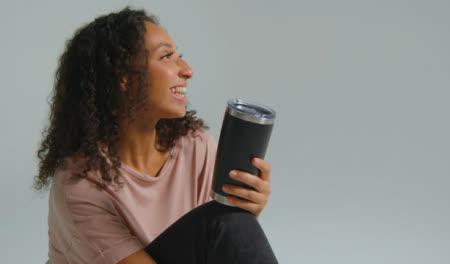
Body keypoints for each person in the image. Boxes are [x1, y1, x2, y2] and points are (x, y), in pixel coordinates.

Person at [35, 7, 278, 264]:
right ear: (124, 77)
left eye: (179, 56)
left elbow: (222, 245)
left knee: (232, 222)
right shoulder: (80, 186)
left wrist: (248, 209)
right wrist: (234, 227)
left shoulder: (194, 146)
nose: (187, 70)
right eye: (166, 57)